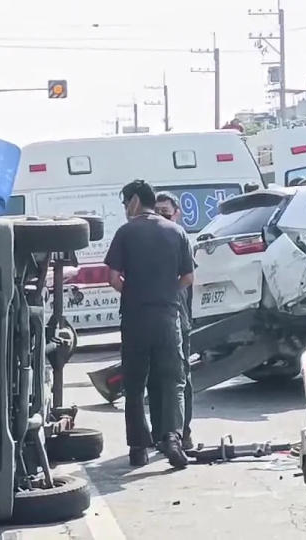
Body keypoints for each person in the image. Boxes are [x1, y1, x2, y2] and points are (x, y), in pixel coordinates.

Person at [105, 179, 194, 469]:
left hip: (135, 318)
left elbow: (113, 278)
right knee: (172, 380)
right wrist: (166, 294)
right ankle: (171, 438)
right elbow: (188, 278)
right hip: (168, 317)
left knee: (134, 383)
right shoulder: (176, 231)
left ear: (133, 202)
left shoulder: (126, 232)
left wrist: (133, 293)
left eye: (124, 204)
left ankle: (138, 448)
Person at [149, 191, 195, 450]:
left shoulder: (179, 238)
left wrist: (168, 293)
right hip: (156, 317)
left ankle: (182, 432)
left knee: (180, 378)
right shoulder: (151, 240)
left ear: (177, 213)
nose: (161, 216)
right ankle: (161, 435)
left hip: (179, 317)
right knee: (155, 378)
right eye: (157, 211)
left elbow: (188, 278)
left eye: (166, 211)